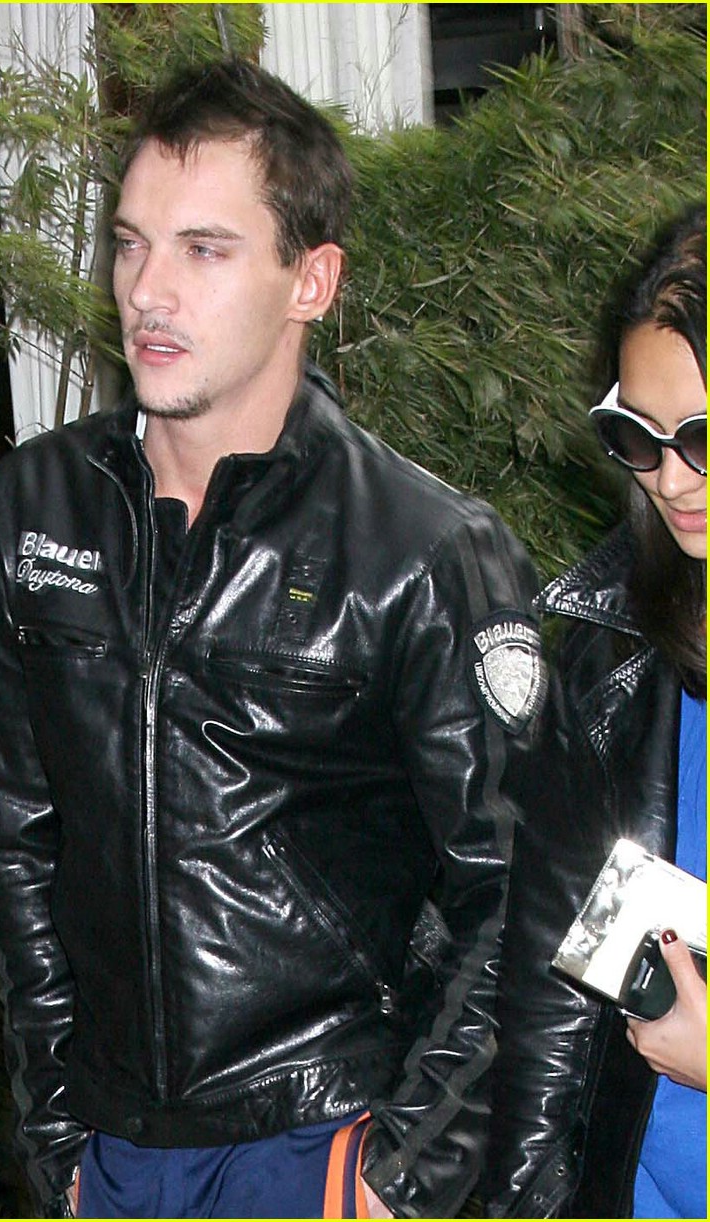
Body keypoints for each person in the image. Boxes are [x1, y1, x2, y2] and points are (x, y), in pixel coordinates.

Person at [0, 57, 544, 1219]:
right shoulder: (38, 507)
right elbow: (18, 849)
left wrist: (401, 1177)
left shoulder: (425, 549)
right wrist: (56, 1135)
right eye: (131, 243)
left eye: (204, 249)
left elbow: (523, 893)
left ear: (310, 280)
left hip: (322, 1136)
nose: (148, 290)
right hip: (112, 1151)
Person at [482, 203, 706, 1219]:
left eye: (700, 437)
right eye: (637, 438)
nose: (670, 479)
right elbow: (548, 984)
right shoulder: (615, 651)